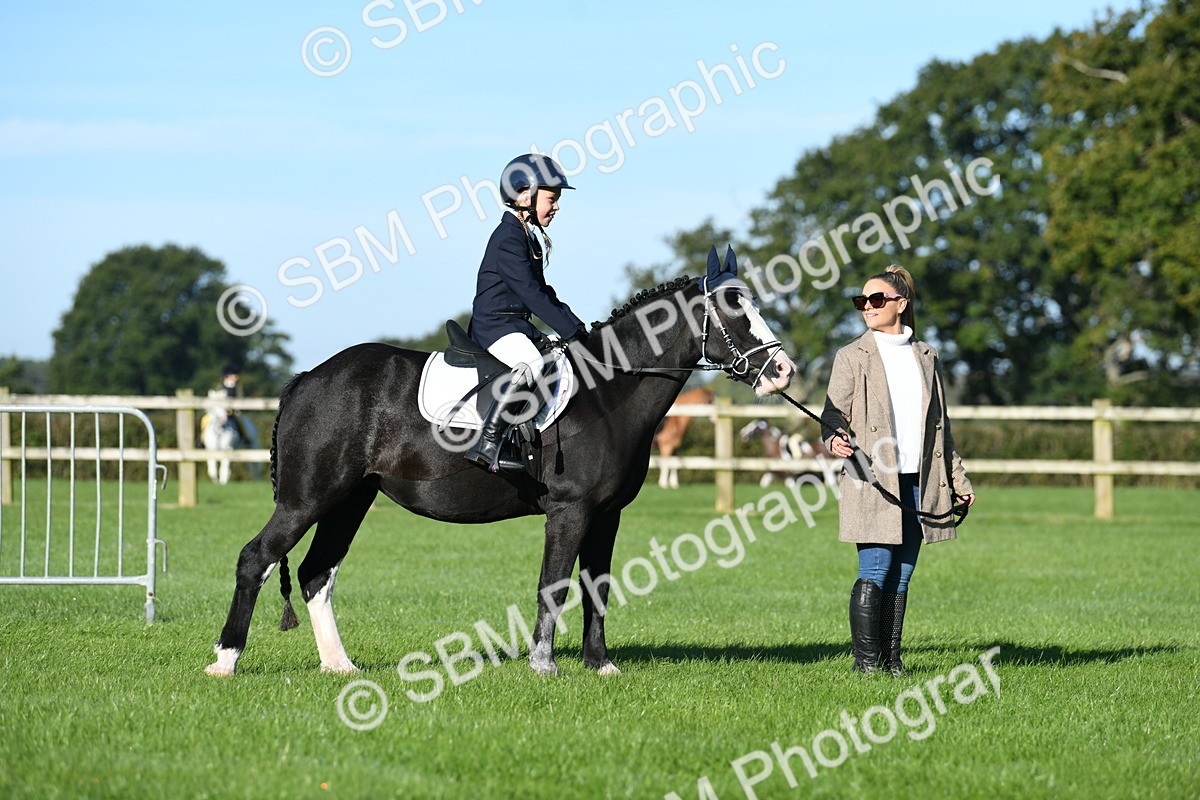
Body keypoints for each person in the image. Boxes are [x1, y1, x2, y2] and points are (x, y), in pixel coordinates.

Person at [821, 265, 975, 676]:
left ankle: (892, 662)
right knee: (875, 567)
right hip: (872, 478)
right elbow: (833, 413)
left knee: (903, 573)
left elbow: (941, 426)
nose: (867, 307)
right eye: (862, 302)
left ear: (900, 305)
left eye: (876, 300)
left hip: (920, 482)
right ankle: (866, 665)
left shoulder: (927, 356)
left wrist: (957, 479)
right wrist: (834, 437)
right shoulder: (852, 356)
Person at [464, 154, 588, 472]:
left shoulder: (525, 235)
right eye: (552, 199)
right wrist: (570, 332)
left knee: (557, 356)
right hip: (495, 325)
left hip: (515, 325)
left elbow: (544, 293)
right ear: (524, 196)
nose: (557, 206)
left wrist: (579, 328)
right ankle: (488, 444)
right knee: (531, 364)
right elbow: (531, 295)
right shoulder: (508, 237)